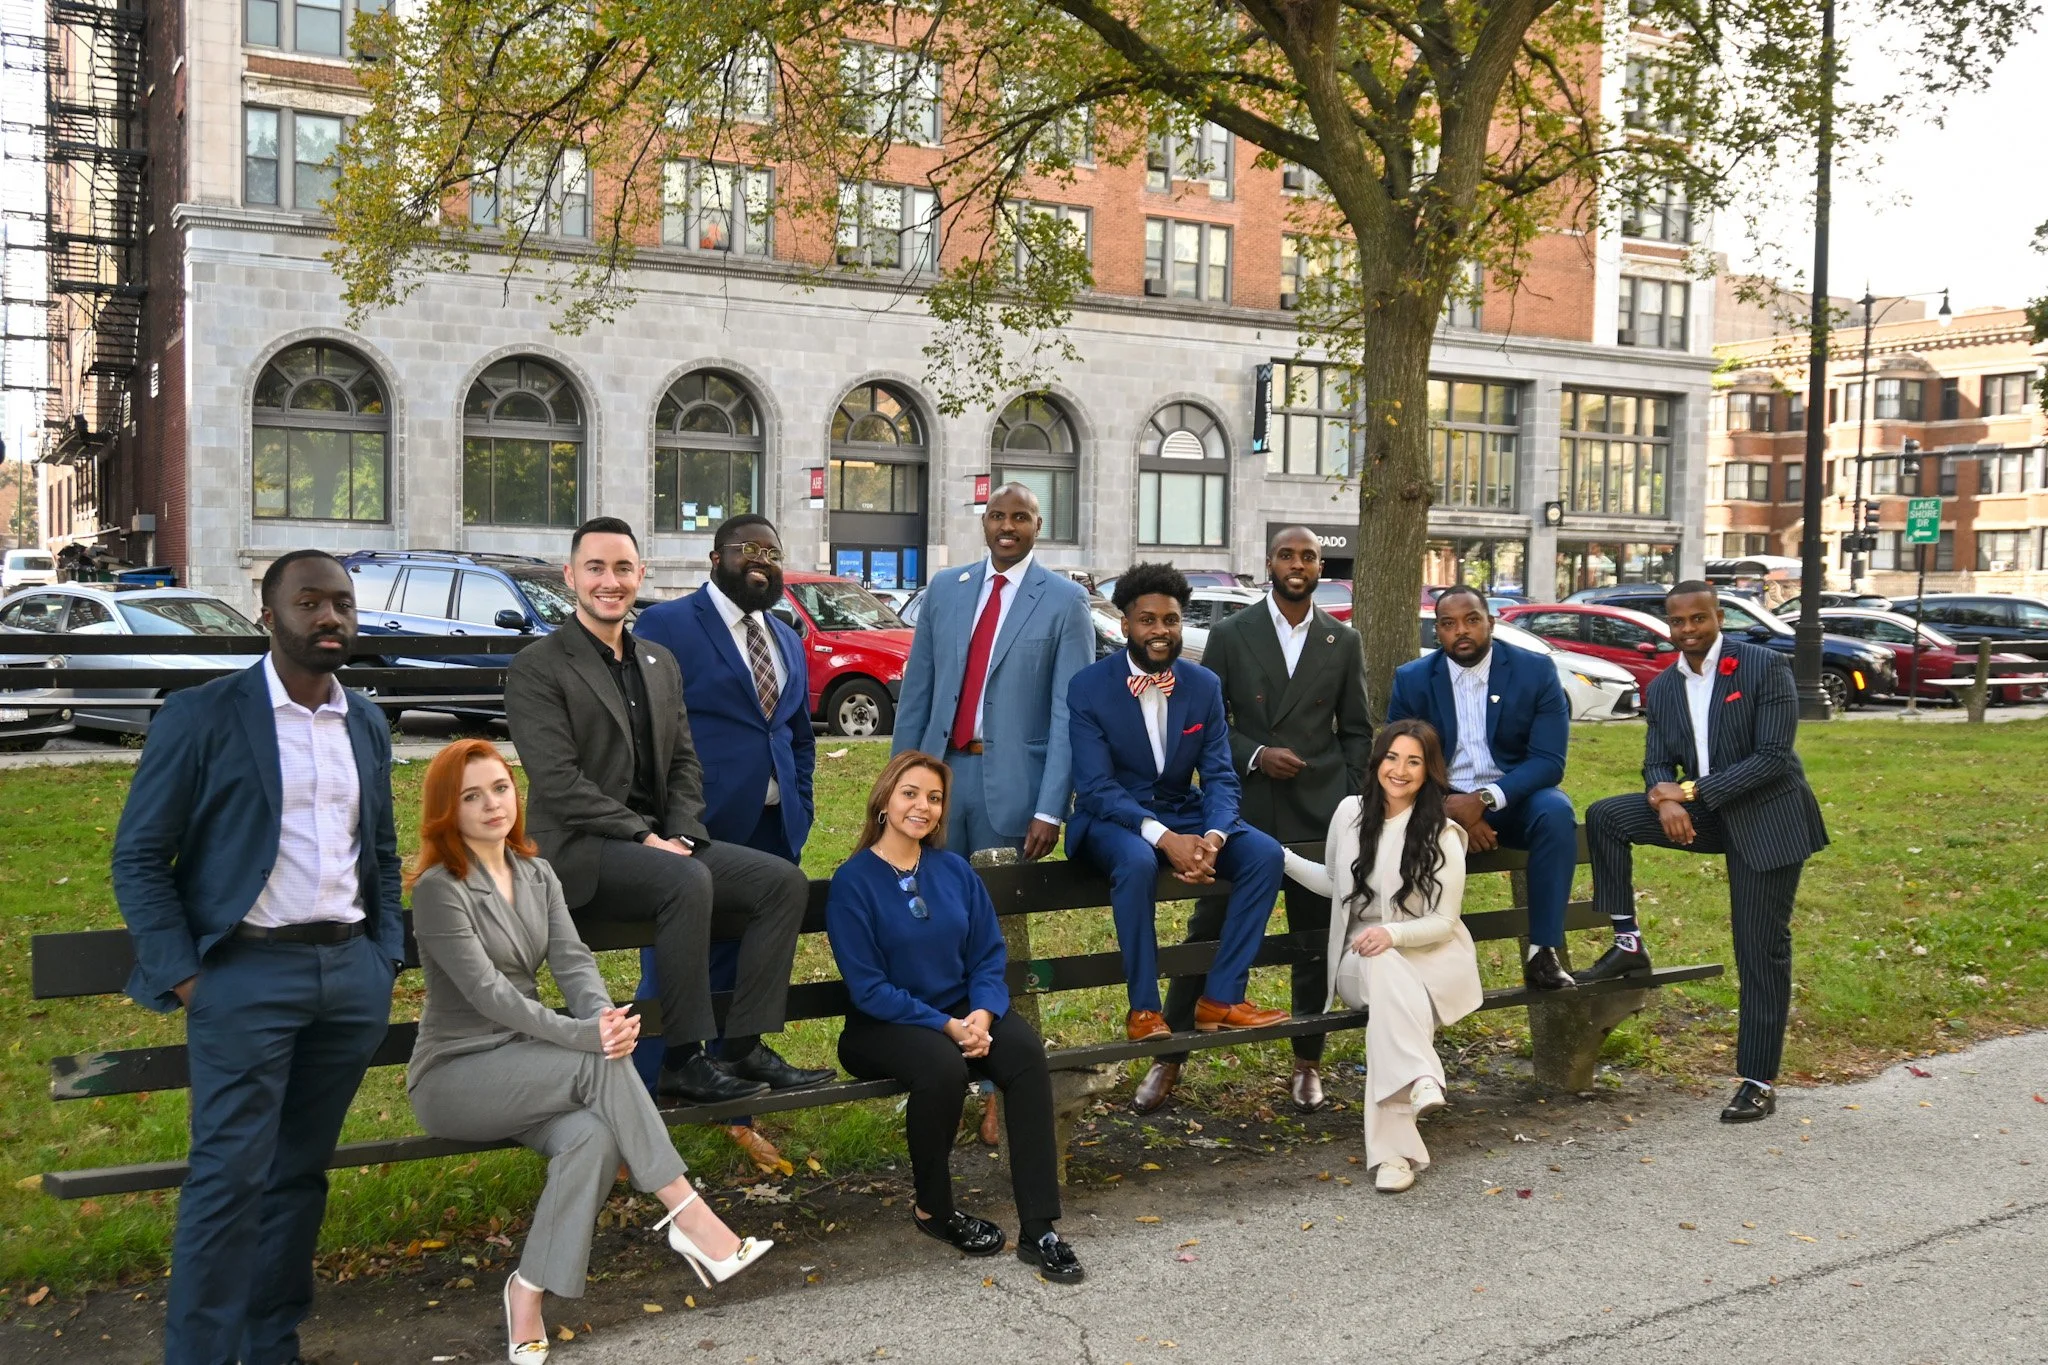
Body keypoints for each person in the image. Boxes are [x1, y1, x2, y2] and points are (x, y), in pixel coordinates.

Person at [110, 548, 405, 1365]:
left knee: (298, 1175)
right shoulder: (205, 716)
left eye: (342, 603)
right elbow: (139, 856)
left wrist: (382, 954)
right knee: (227, 1184)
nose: (330, 617)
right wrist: (191, 977)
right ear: (268, 616)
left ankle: (271, 1343)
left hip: (347, 978)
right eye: (309, 602)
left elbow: (377, 845)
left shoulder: (366, 721)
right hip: (243, 978)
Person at [406, 740, 770, 1362]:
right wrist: (585, 1037)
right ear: (448, 810)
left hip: (531, 1066)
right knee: (593, 1061)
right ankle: (687, 1213)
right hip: (457, 1076)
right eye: (471, 796)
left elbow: (573, 963)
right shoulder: (441, 891)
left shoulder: (537, 872)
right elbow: (490, 995)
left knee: (593, 1140)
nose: (492, 803)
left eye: (499, 787)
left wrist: (604, 1017)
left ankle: (527, 1291)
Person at [503, 516, 831, 1105]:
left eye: (623, 568)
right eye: (596, 568)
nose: (611, 580)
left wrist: (680, 828)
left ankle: (741, 1045)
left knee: (781, 883)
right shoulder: (540, 665)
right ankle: (681, 1058)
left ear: (640, 575)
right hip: (583, 850)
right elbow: (556, 782)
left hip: (663, 846)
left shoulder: (656, 661)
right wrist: (644, 837)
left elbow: (684, 761)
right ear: (570, 575)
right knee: (684, 878)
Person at [827, 751, 1084, 1281]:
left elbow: (988, 955)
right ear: (884, 800)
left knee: (1026, 1054)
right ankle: (934, 1209)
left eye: (935, 798)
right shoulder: (853, 881)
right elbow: (869, 987)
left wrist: (983, 1017)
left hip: (965, 1015)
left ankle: (1040, 1227)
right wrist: (948, 1026)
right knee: (942, 1067)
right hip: (882, 1025)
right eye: (911, 793)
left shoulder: (953, 870)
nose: (923, 806)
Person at [1581, 581, 1828, 1123]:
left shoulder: (1764, 667)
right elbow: (1655, 761)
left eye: (1699, 619)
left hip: (1770, 818)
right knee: (1606, 816)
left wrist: (1688, 793)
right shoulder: (1666, 686)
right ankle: (1628, 943)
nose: (1688, 630)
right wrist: (1660, 796)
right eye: (1678, 622)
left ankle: (1757, 1080)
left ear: (1719, 617)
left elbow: (1773, 757)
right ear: (1668, 625)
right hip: (1709, 816)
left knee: (1758, 948)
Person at [1146, 527, 1372, 1114]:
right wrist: (1253, 754)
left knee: (1313, 944)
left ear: (1322, 566)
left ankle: (1307, 1062)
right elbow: (1205, 718)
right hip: (1239, 811)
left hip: (1317, 815)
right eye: (1287, 555)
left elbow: (1355, 732)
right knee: (1207, 934)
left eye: (1309, 557)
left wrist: (1347, 803)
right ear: (1267, 562)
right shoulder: (1230, 634)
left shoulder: (1341, 641)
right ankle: (1168, 1058)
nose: (1298, 565)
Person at [632, 512, 816, 1172]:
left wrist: (803, 798)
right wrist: (661, 822)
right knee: (673, 968)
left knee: (743, 967)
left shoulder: (787, 635)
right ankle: (639, 1117)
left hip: (773, 828)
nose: (761, 559)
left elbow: (796, 730)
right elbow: (647, 731)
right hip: (698, 827)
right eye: (748, 548)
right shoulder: (667, 626)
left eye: (772, 549)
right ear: (716, 557)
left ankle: (737, 1111)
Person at [1066, 562, 1287, 1041]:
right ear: (1125, 625)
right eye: (1148, 620)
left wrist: (1213, 835)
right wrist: (1165, 839)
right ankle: (1143, 1009)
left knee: (1264, 855)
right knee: (1137, 862)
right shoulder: (1088, 688)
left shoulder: (1202, 685)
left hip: (1182, 809)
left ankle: (1222, 998)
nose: (1161, 630)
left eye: (1170, 620)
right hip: (1112, 818)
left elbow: (1221, 775)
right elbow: (1097, 786)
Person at [1282, 720, 1479, 1192]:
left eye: (1414, 761)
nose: (1400, 769)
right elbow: (1336, 884)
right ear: (1377, 762)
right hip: (1359, 961)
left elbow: (1444, 923)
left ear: (1429, 771)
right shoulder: (1350, 813)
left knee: (1390, 1008)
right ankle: (1421, 1076)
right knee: (1382, 966)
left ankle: (1394, 1157)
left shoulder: (1442, 833)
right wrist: (1282, 858)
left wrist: (1391, 934)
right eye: (1393, 757)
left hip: (1429, 959)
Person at [1386, 585, 1578, 992]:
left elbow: (1549, 762)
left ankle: (1542, 951)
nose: (1462, 631)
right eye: (1449, 624)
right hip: (1441, 801)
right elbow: (1400, 765)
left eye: (1472, 620)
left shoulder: (1535, 671)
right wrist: (1453, 813)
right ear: (1436, 631)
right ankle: (1410, 967)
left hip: (1515, 798)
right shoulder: (1413, 680)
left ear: (1491, 622)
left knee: (1556, 812)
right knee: (1402, 828)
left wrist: (1484, 800)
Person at [893, 481, 1095, 860]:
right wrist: (898, 783)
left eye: (1020, 517)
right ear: (984, 523)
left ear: (1038, 525)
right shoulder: (945, 588)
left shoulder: (1066, 601)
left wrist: (1050, 808)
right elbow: (916, 695)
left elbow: (1069, 716)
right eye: (997, 516)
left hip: (1013, 787)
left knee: (997, 912)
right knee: (933, 902)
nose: (1007, 527)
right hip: (938, 777)